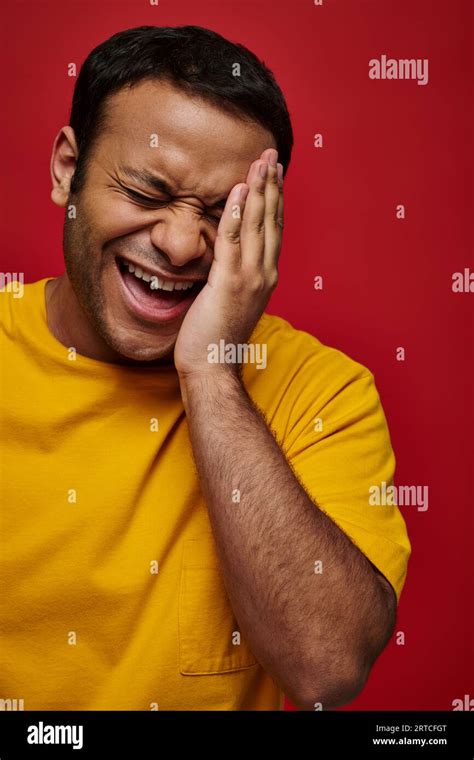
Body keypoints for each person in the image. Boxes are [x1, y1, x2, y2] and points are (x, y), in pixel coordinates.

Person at [0, 25, 410, 711]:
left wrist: (213, 372)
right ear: (66, 170)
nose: (181, 243)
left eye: (222, 217)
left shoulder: (324, 391)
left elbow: (328, 669)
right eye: (146, 192)